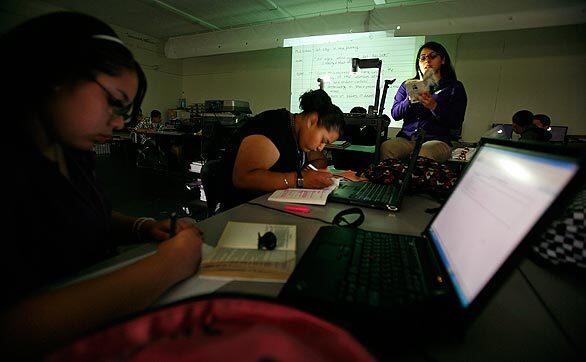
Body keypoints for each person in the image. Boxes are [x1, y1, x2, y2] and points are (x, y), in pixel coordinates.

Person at [0, 12, 203, 357]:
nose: (121, 121)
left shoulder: (71, 151)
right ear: (55, 74)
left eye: (127, 110)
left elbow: (82, 218)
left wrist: (141, 227)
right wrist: (168, 265)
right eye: (113, 102)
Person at [220, 89, 345, 210]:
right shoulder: (274, 127)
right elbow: (242, 178)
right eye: (323, 140)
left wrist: (314, 173)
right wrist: (300, 180)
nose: (320, 147)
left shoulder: (298, 133)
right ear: (312, 120)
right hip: (241, 210)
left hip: (267, 204)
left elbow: (318, 158)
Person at [380, 41, 467, 162]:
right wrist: (409, 100)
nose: (427, 61)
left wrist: (434, 106)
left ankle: (415, 181)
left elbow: (456, 122)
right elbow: (395, 114)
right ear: (418, 62)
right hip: (407, 138)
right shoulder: (407, 85)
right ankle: (390, 179)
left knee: (424, 152)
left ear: (442, 60)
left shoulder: (453, 87)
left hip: (437, 140)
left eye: (432, 56)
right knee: (387, 147)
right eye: (423, 58)